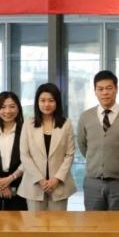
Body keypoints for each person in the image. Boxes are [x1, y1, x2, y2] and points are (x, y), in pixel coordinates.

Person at [77, 70, 119, 211]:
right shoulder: (85, 116)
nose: (105, 92)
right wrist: (98, 158)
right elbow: (82, 145)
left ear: (116, 89)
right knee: (93, 222)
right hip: (93, 182)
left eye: (109, 88)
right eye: (100, 89)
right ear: (95, 91)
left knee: (118, 222)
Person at [18, 83, 76, 211]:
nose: (46, 104)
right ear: (37, 102)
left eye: (51, 100)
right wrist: (40, 179)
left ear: (57, 102)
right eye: (42, 100)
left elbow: (70, 154)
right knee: (35, 222)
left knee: (58, 222)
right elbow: (24, 155)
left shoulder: (66, 124)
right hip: (34, 185)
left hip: (59, 185)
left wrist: (56, 179)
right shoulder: (28, 124)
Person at [0, 91, 28, 211]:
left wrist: (10, 179)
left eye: (12, 106)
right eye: (3, 107)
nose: (7, 111)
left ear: (18, 108)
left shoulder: (26, 131)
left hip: (20, 184)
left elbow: (28, 158)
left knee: (17, 221)